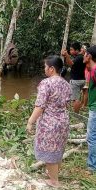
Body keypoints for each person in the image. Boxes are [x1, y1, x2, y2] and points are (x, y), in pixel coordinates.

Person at [27, 55, 72, 187]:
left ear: (51, 69)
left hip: (50, 123)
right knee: (58, 148)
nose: (44, 69)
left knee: (50, 150)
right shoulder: (66, 84)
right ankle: (54, 173)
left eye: (45, 67)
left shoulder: (46, 83)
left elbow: (40, 106)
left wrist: (30, 121)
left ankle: (54, 181)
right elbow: (66, 103)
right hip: (63, 121)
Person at [61, 42, 85, 113]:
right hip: (82, 79)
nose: (70, 51)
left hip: (76, 80)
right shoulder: (82, 56)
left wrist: (67, 55)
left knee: (75, 99)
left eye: (72, 50)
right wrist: (66, 56)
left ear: (77, 50)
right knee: (76, 97)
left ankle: (76, 114)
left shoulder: (79, 57)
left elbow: (71, 65)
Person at [83, 45, 96, 174]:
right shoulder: (90, 70)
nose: (83, 55)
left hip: (95, 109)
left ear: (89, 56)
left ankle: (92, 166)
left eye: (85, 53)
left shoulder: (95, 70)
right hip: (93, 107)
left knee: (91, 137)